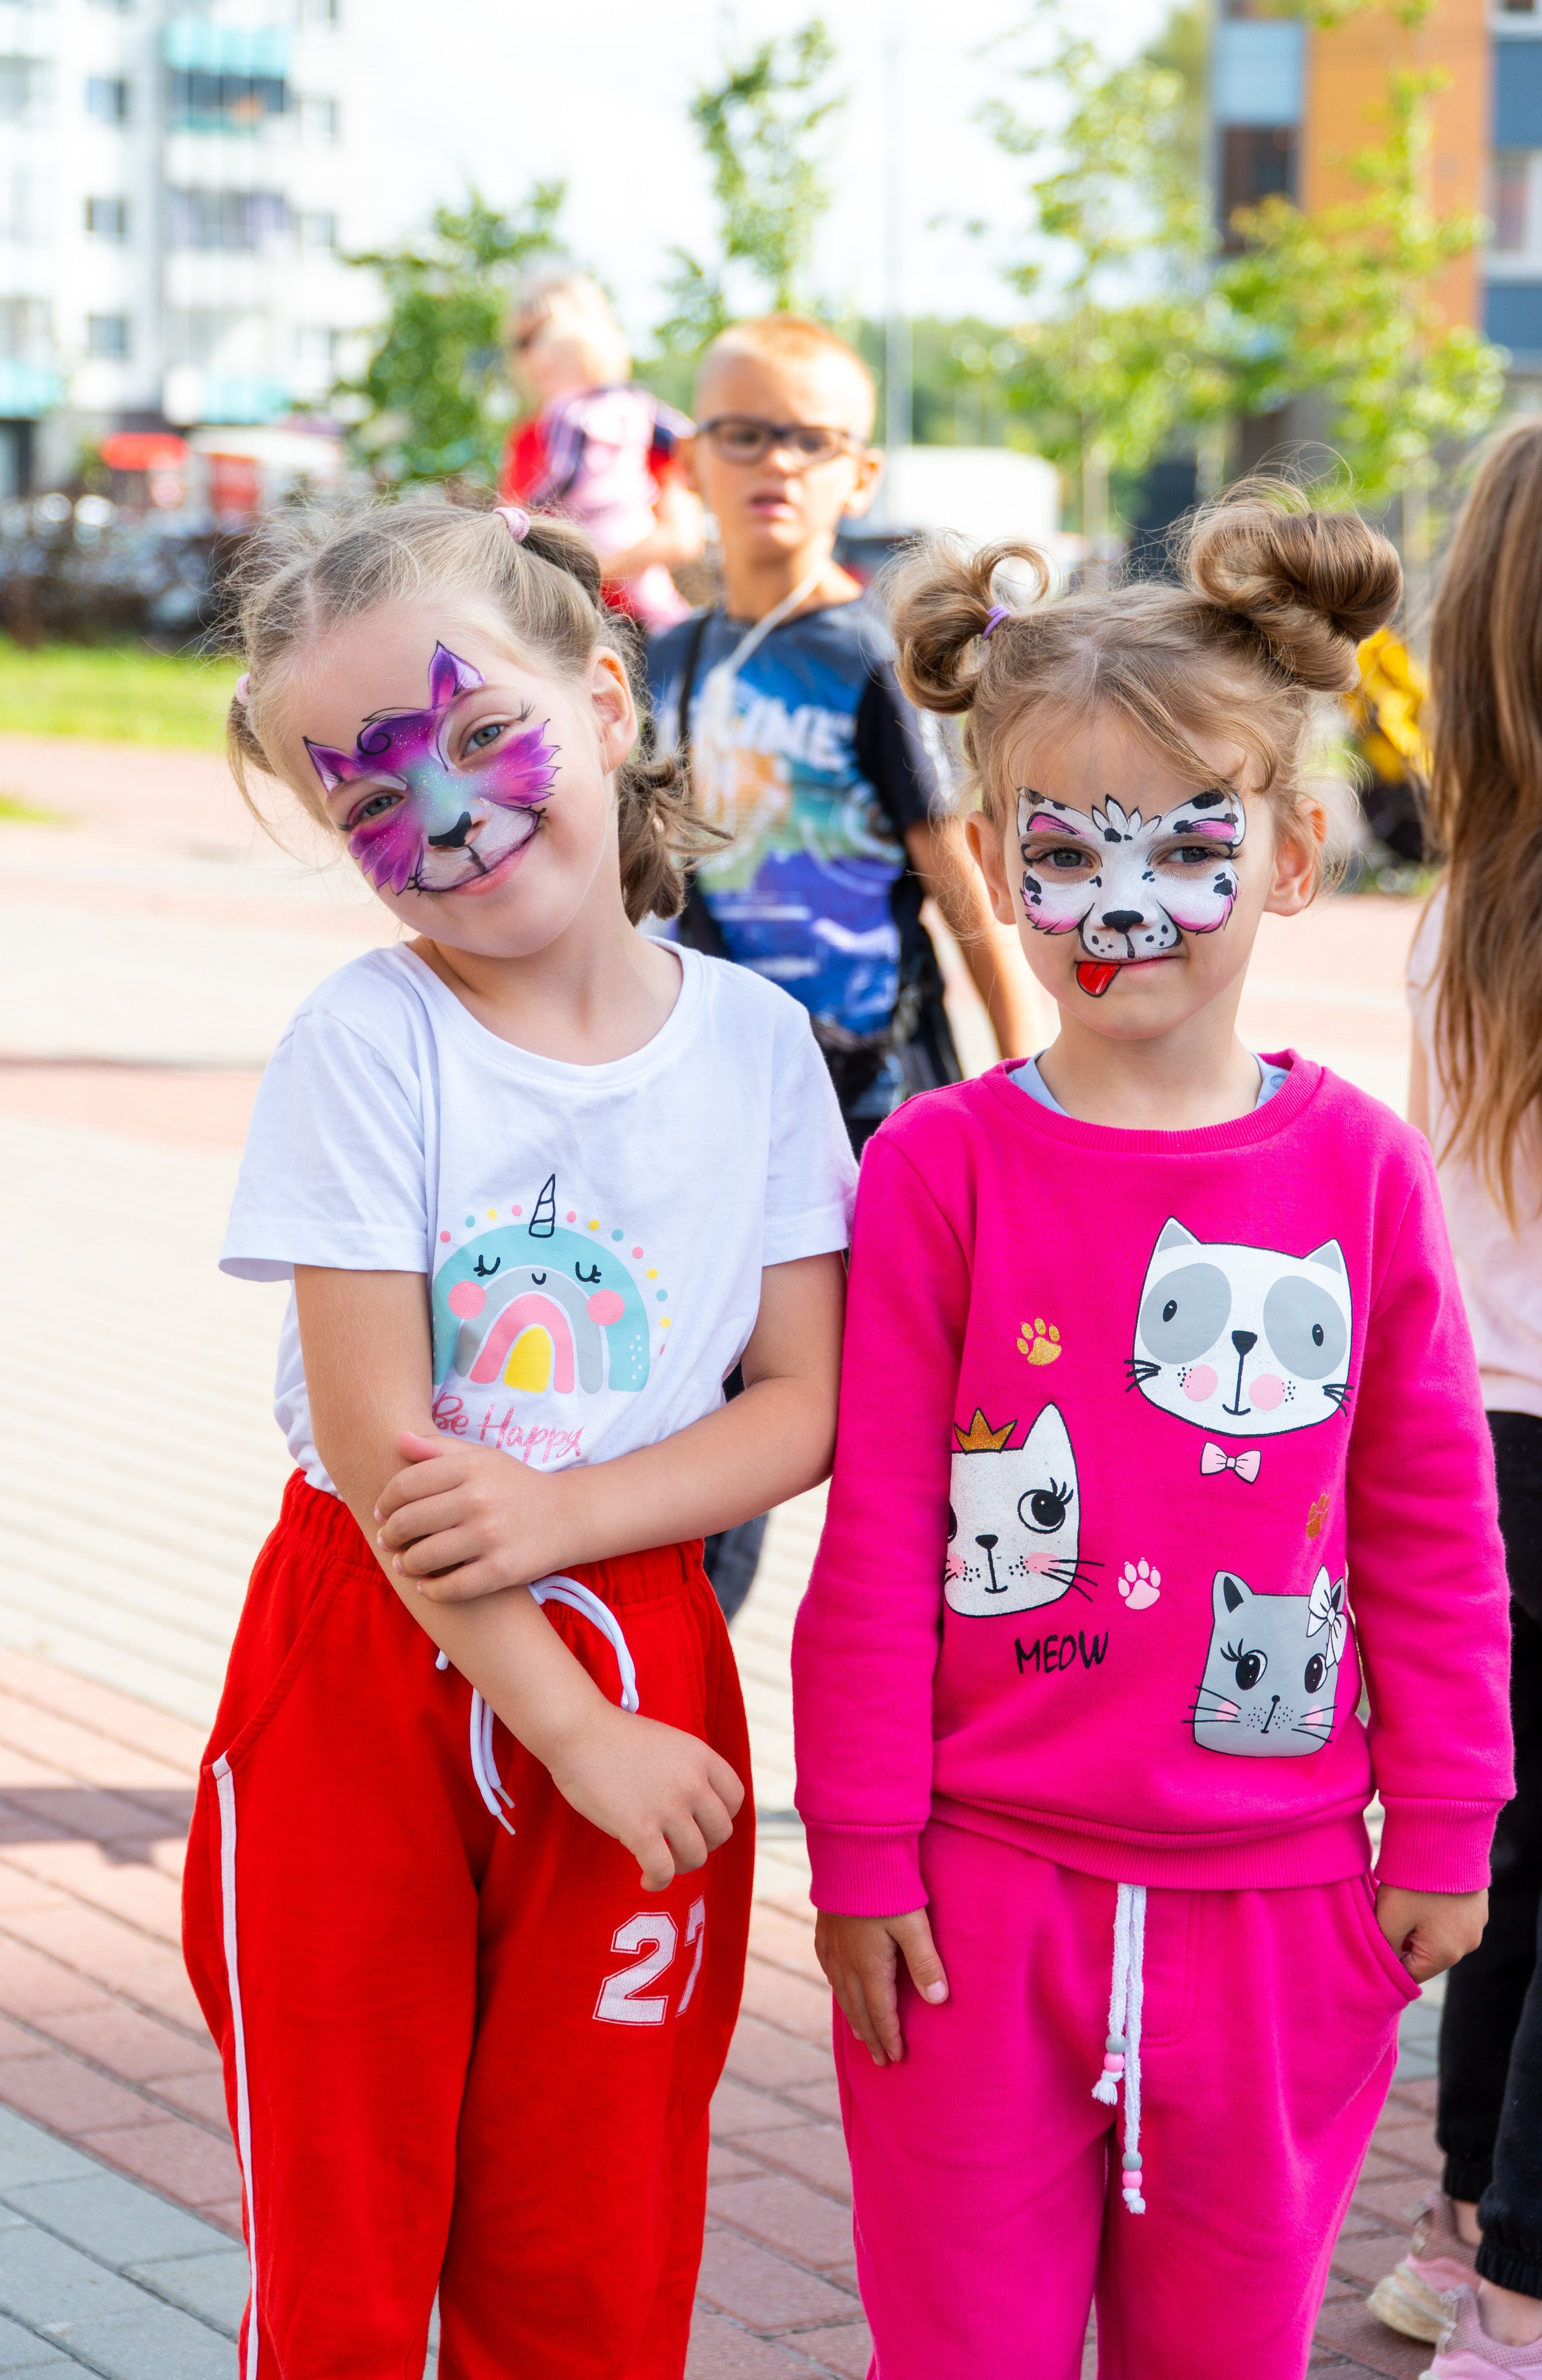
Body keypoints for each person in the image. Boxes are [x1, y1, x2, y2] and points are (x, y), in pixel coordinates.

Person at [790, 487, 1517, 2380]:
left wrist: (1444, 1809)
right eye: (1062, 846)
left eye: (1183, 843)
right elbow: (876, 1532)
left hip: (1281, 1914)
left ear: (1286, 855)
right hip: (970, 1904)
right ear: (1001, 855)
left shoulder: (1356, 1166)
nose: (1119, 903)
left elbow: (1431, 1516)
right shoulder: (936, 1164)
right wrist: (862, 1850)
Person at [180, 498, 855, 2378]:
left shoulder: (757, 1046)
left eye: (486, 737)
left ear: (609, 700)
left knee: (592, 2221)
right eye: (371, 798)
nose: (452, 820)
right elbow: (396, 1459)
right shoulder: (367, 1041)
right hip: (367, 1667)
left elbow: (803, 1402)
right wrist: (553, 1716)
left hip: (641, 1651)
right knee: (346, 2224)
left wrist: (574, 1523)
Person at [648, 314, 1040, 1623]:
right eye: (741, 432)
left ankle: (933, 1685)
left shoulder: (870, 660)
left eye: (807, 439)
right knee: (720, 1406)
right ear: (690, 458)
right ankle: (677, 1665)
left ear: (853, 474)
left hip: (879, 1105)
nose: (773, 462)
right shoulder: (663, 660)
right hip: (715, 1107)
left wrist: (1026, 1075)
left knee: (896, 1419)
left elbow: (965, 893)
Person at [1365, 414, 1542, 2380]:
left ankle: (1451, 2234)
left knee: (1523, 1865)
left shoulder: (1470, 909)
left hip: (1488, 1443)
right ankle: (1528, 2299)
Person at [500, 268, 703, 633]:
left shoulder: (635, 424)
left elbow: (683, 538)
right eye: (522, 342)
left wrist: (590, 566)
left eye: (547, 334)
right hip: (555, 625)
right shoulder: (528, 437)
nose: (534, 355)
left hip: (633, 623)